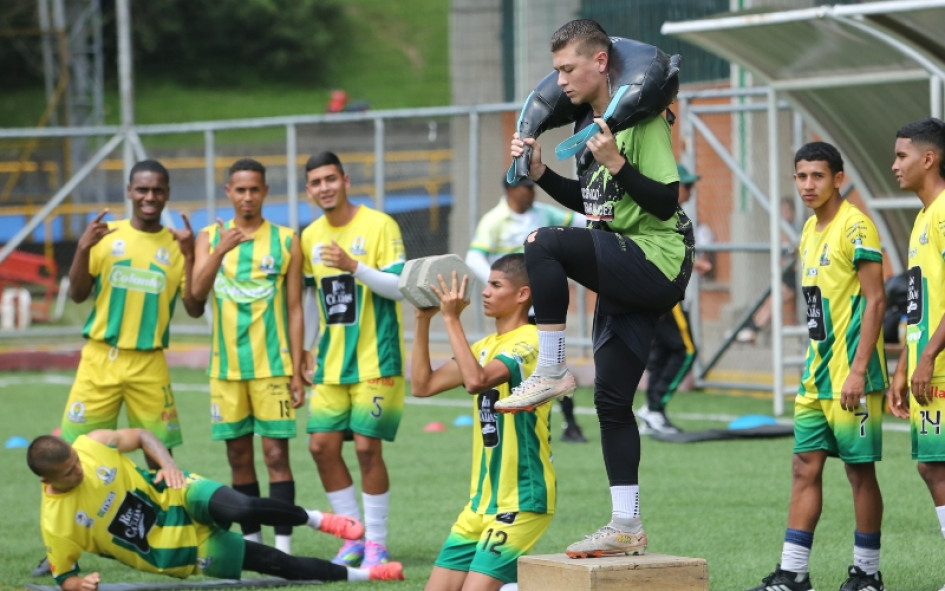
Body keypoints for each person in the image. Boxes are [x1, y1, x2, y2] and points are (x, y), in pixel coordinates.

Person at [497, 18, 694, 559]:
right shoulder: (588, 123)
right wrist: (540, 173)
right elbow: (594, 205)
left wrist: (620, 163)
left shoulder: (641, 117)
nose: (558, 80)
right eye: (556, 70)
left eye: (568, 68)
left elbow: (664, 201)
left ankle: (552, 368)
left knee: (541, 241)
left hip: (658, 259)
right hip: (625, 263)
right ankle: (626, 525)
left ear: (600, 62)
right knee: (611, 401)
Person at [37, 160, 206, 578]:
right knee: (70, 454)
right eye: (142, 190)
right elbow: (77, 294)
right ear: (129, 191)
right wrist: (80, 248)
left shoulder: (177, 245)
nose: (150, 198)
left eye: (158, 190)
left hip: (149, 361)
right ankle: (56, 551)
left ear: (167, 194)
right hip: (100, 359)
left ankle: (178, 532)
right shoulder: (105, 237)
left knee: (161, 457)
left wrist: (192, 253)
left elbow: (195, 307)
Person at [747, 142, 887, 591]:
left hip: (852, 376)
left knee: (858, 471)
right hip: (815, 376)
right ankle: (793, 574)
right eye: (801, 177)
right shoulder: (809, 229)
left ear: (838, 179)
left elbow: (877, 299)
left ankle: (867, 574)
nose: (809, 185)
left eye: (818, 176)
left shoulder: (856, 226)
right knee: (804, 466)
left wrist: (859, 370)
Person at [28, 427, 404, 589]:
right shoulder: (57, 524)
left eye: (77, 461)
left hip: (177, 493)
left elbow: (141, 435)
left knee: (243, 508)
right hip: (177, 550)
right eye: (69, 472)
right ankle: (370, 576)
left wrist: (168, 465)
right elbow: (66, 577)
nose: (79, 470)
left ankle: (319, 520)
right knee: (276, 564)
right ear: (48, 482)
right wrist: (81, 583)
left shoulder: (90, 445)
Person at [411, 254, 554, 591]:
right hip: (480, 504)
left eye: (496, 284)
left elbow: (477, 381)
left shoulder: (532, 342)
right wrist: (423, 319)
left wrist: (451, 319)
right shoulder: (484, 346)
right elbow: (422, 385)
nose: (485, 292)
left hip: (522, 498)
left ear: (522, 294)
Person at [192, 158, 306, 554]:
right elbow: (195, 292)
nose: (247, 197)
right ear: (228, 193)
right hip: (225, 370)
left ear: (265, 192)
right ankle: (254, 547)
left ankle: (284, 549)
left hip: (272, 368)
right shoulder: (209, 236)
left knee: (276, 455)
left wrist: (294, 370)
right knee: (238, 456)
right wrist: (220, 250)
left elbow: (295, 308)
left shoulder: (287, 239)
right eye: (239, 190)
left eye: (254, 189)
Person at [301, 151, 407, 568]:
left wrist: (354, 266)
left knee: (366, 450)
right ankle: (353, 534)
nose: (324, 187)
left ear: (345, 180)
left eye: (330, 178)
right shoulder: (309, 235)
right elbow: (313, 298)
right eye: (316, 182)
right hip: (330, 363)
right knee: (320, 447)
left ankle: (378, 543)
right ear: (309, 190)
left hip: (375, 360)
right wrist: (307, 347)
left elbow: (398, 286)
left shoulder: (380, 225)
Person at [466, 175, 588, 443]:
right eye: (526, 187)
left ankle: (570, 423)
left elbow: (580, 222)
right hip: (517, 305)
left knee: (554, 360)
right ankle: (520, 418)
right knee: (520, 363)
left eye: (533, 187)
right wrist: (502, 287)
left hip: (543, 302)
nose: (531, 193)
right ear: (510, 189)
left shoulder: (544, 213)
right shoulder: (494, 220)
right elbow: (473, 255)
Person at [888, 117, 945, 591]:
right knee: (933, 466)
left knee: (936, 466)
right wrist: (904, 366)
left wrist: (926, 357)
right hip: (928, 366)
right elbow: (919, 303)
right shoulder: (922, 218)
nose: (894, 166)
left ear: (930, 159)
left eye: (902, 156)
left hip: (942, 366)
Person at [638, 163, 713, 435]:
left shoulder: (667, 211)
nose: (691, 191)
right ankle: (654, 409)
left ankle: (652, 410)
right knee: (686, 350)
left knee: (662, 351)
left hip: (656, 292)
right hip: (662, 292)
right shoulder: (662, 211)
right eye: (687, 185)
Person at [736, 196, 799, 343]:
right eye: (782, 211)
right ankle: (751, 328)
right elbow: (781, 258)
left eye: (786, 211)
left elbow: (794, 256)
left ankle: (753, 329)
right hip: (787, 273)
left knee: (774, 300)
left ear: (792, 212)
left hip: (796, 275)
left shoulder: (795, 229)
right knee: (769, 300)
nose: (784, 214)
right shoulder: (783, 230)